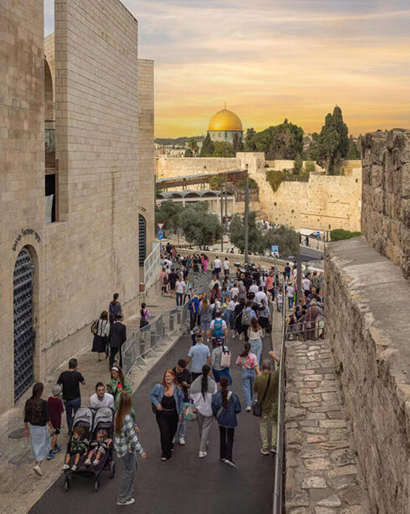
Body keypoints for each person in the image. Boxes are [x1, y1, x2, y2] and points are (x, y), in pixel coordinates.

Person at [114, 391, 146, 506]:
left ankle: (128, 491)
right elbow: (133, 439)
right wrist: (141, 451)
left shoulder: (118, 414)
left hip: (121, 448)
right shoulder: (126, 418)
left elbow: (126, 428)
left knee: (133, 468)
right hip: (127, 449)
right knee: (129, 472)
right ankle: (122, 497)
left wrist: (134, 426)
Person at [151, 370, 183, 461]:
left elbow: (180, 402)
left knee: (172, 432)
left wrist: (181, 413)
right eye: (166, 376)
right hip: (162, 414)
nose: (167, 378)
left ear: (173, 377)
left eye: (169, 376)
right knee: (164, 432)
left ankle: (170, 444)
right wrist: (157, 404)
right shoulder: (159, 387)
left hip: (173, 414)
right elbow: (152, 395)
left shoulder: (177, 389)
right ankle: (165, 453)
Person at [211, 376, 241, 467]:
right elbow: (238, 408)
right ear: (228, 384)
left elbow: (214, 408)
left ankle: (222, 455)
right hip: (231, 420)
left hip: (221, 420)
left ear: (219, 384)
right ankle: (229, 457)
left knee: (222, 436)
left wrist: (216, 416)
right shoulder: (233, 396)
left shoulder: (216, 396)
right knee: (230, 438)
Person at [24, 383, 53, 476]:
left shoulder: (28, 402)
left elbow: (26, 417)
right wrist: (52, 427)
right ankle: (38, 465)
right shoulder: (43, 403)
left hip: (32, 428)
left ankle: (37, 466)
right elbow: (47, 418)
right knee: (44, 447)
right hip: (41, 428)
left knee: (36, 448)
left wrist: (26, 429)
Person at [190, 364, 217, 458]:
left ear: (201, 371)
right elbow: (215, 397)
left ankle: (204, 441)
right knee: (206, 429)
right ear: (210, 372)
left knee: (201, 427)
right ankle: (202, 450)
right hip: (209, 410)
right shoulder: (213, 384)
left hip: (198, 409)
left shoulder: (195, 383)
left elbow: (191, 395)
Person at [254, 356, 280, 455]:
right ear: (270, 368)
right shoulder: (274, 376)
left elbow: (255, 390)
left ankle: (265, 447)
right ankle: (274, 445)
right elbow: (282, 366)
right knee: (274, 424)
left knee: (263, 425)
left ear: (261, 368)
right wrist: (275, 357)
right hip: (273, 405)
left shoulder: (258, 378)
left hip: (263, 406)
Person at [57, 358, 86, 433]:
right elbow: (84, 382)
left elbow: (57, 385)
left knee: (68, 415)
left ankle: (70, 430)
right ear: (76, 366)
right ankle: (76, 430)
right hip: (76, 398)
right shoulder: (77, 374)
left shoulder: (63, 374)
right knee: (77, 415)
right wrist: (80, 373)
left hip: (66, 399)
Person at [172, 359, 192, 445]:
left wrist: (186, 385)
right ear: (178, 365)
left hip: (185, 397)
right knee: (174, 419)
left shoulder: (187, 373)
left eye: (183, 368)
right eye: (181, 368)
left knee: (184, 419)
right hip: (174, 398)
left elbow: (191, 385)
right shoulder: (172, 372)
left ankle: (181, 436)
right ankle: (173, 435)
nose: (182, 370)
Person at [236, 343, 260, 411]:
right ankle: (251, 399)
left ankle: (248, 405)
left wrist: (243, 362)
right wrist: (258, 372)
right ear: (250, 348)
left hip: (245, 371)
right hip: (252, 372)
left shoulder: (242, 356)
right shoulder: (253, 356)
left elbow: (237, 363)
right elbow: (256, 365)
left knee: (246, 388)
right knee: (252, 386)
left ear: (244, 348)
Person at [47, 385, 65, 459]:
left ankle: (55, 445)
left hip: (51, 420)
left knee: (54, 432)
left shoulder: (49, 399)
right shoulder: (58, 401)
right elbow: (61, 411)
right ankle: (51, 451)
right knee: (55, 435)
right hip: (57, 420)